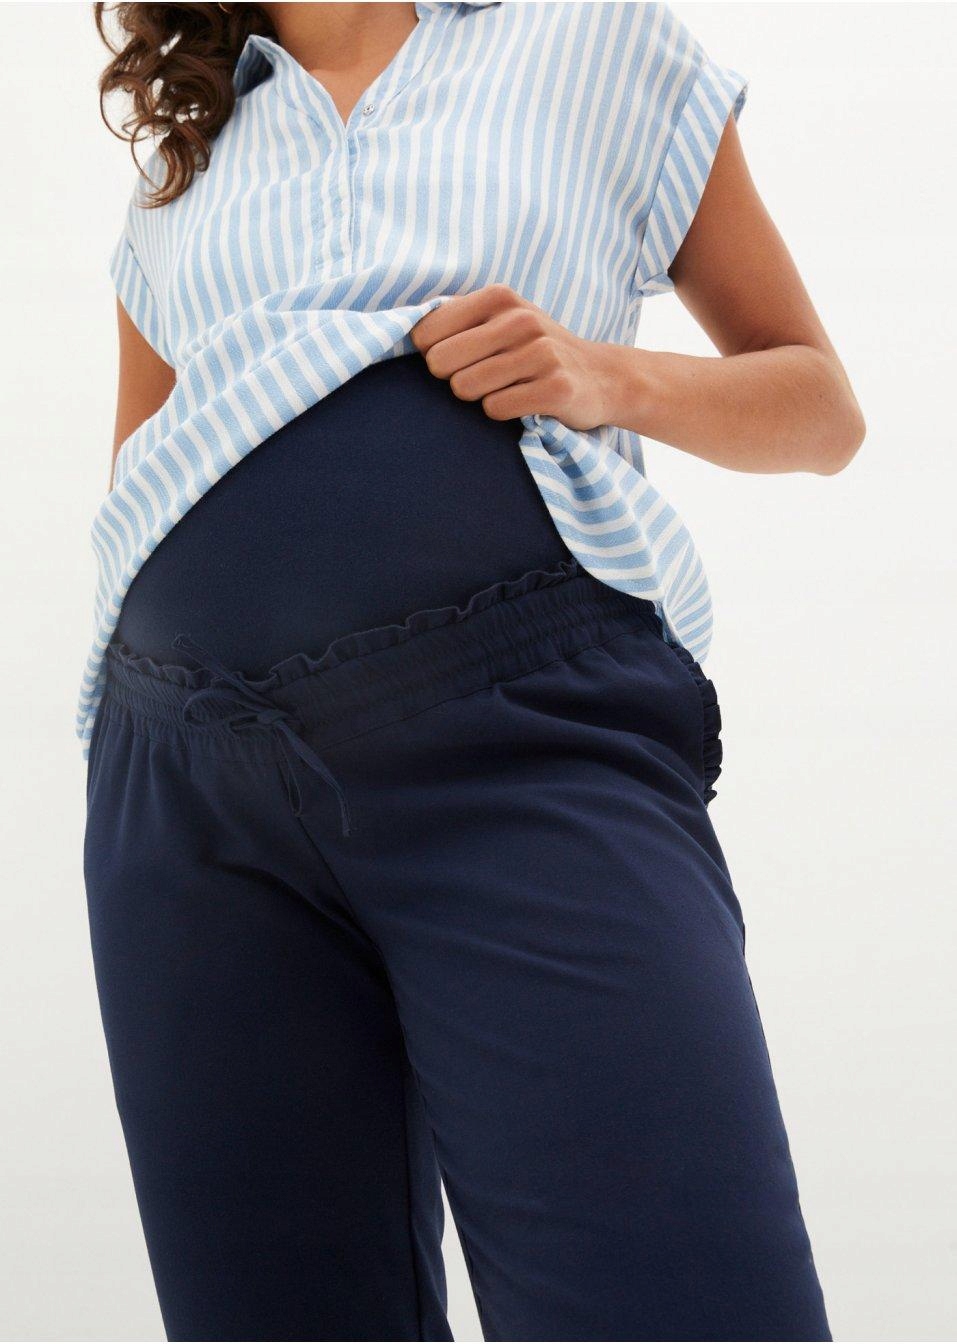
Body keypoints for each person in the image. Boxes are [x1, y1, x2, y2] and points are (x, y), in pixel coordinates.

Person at [82, 3, 863, 1339]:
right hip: (185, 794)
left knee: (678, 1300)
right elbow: (141, 472)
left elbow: (821, 410)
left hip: (522, 736)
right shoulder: (185, 156)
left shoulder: (591, 40)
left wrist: (602, 376)